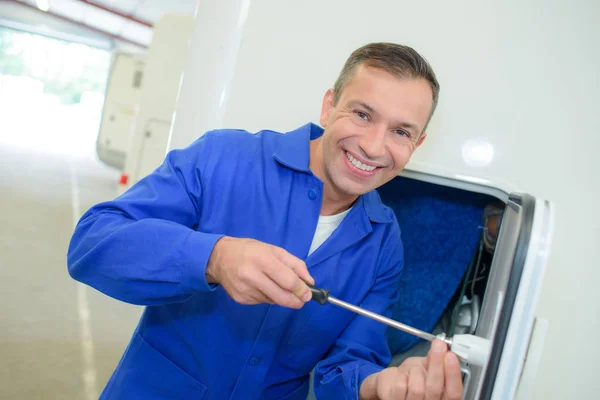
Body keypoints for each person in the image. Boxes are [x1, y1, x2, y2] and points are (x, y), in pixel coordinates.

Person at [67, 42, 463, 400]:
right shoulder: (224, 156)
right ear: (329, 106)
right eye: (362, 114)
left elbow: (349, 361)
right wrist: (213, 258)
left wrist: (378, 385)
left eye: (400, 132)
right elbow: (93, 243)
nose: (374, 146)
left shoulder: (384, 241)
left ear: (417, 143)